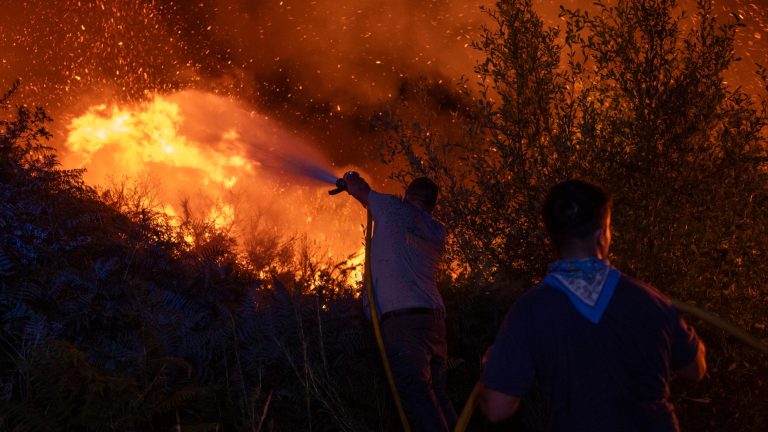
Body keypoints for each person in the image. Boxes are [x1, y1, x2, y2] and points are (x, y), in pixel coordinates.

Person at [480, 179, 707, 431]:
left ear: (553, 237)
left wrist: (492, 369)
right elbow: (695, 369)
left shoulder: (529, 312)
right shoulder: (650, 301)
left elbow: (496, 409)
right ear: (602, 236)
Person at [342, 171, 457, 431]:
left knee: (416, 396)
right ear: (432, 205)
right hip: (434, 323)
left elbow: (360, 189)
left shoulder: (394, 210)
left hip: (404, 324)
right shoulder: (437, 231)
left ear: (407, 195)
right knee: (437, 394)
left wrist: (348, 179)